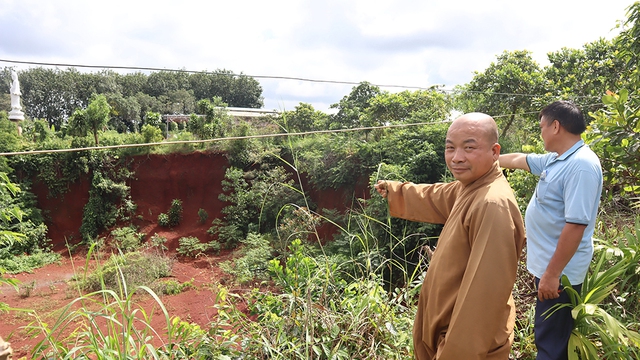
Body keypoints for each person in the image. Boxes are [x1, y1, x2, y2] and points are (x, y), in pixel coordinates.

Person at [375, 112, 525, 359]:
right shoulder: (471, 187)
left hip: (463, 346)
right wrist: (397, 191)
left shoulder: (491, 204)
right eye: (450, 148)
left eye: (469, 148)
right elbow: (436, 196)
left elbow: (483, 298)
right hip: (448, 336)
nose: (457, 158)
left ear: (495, 151)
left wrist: (452, 352)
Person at [499, 100, 602, 360]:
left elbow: (576, 225)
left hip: (559, 273)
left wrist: (552, 275)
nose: (540, 132)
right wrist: (488, 159)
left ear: (555, 126)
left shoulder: (581, 166)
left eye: (542, 126)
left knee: (551, 340)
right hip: (549, 267)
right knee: (549, 333)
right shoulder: (558, 159)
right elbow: (520, 160)